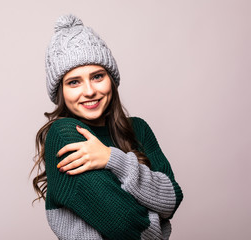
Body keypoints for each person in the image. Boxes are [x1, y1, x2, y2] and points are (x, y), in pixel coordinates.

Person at [32, 14, 183, 240]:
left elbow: (171, 199)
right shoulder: (63, 135)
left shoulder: (138, 129)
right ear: (61, 91)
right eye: (74, 82)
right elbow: (124, 223)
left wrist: (112, 158)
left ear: (111, 79)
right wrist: (155, 222)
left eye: (97, 76)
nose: (90, 91)